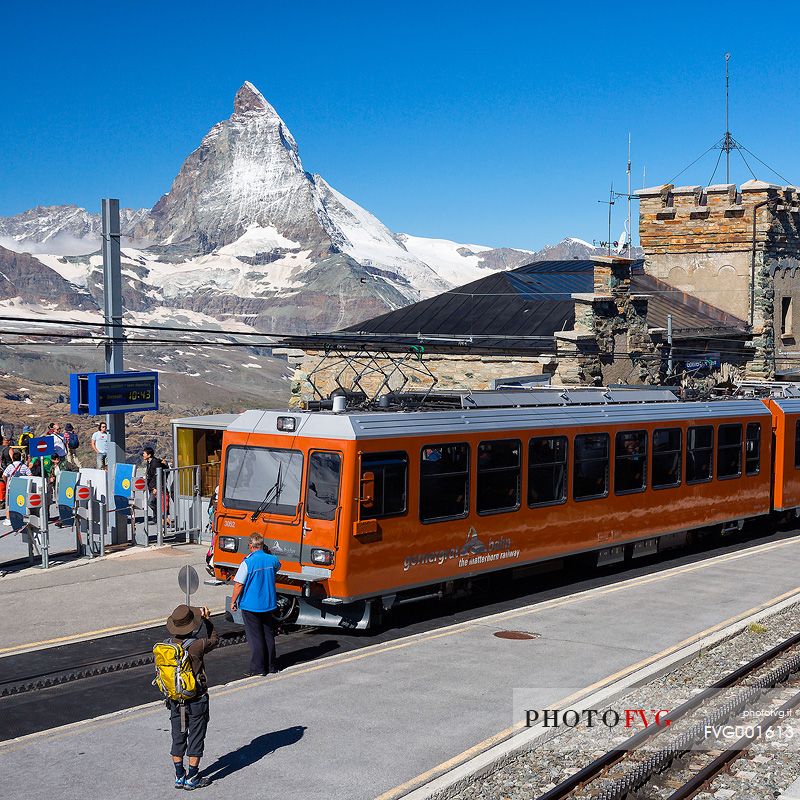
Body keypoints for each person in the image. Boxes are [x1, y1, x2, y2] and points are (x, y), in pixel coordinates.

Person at [162, 604, 218, 790]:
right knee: (196, 736)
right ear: (191, 626)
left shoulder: (167, 646)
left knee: (178, 736)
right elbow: (214, 639)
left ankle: (179, 775)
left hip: (176, 702)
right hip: (196, 700)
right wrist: (207, 620)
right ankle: (192, 777)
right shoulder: (196, 645)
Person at [230, 533, 282, 676]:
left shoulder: (247, 563)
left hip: (251, 605)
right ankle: (272, 666)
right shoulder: (272, 560)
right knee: (268, 635)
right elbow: (277, 568)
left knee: (255, 637)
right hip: (268, 603)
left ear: (250, 546)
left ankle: (258, 669)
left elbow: (239, 585)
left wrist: (233, 601)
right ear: (262, 545)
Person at [143, 446, 169, 522]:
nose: (143, 455)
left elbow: (157, 476)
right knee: (154, 502)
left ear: (149, 455)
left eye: (144, 453)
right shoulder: (150, 462)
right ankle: (160, 517)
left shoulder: (155, 463)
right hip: (152, 487)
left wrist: (155, 487)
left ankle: (162, 517)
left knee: (151, 502)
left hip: (156, 487)